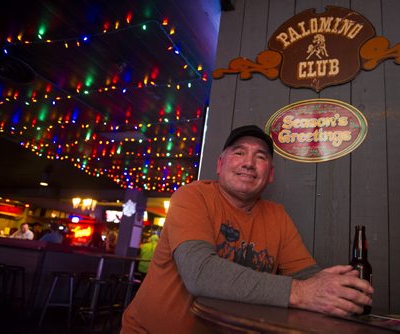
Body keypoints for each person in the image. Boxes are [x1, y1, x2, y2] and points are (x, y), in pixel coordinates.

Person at [121, 125, 373, 333]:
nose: (249, 163)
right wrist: (301, 293)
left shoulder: (277, 216)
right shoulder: (192, 196)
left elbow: (307, 275)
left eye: (260, 156)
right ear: (220, 164)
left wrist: (338, 291)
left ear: (270, 174)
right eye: (239, 153)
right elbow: (200, 273)